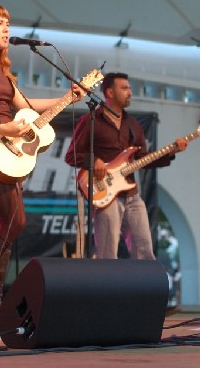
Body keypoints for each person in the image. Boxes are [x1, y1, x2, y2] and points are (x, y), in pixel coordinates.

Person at [0, 4, 85, 327]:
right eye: (0, 23)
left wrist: (67, 98)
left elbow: (25, 106)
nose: (7, 29)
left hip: (5, 152)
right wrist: (3, 129)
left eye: (9, 23)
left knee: (7, 228)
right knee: (16, 222)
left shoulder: (2, 72)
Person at [64, 72, 187, 259]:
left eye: (129, 88)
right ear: (110, 93)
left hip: (131, 194)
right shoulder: (90, 120)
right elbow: (71, 156)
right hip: (106, 195)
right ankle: (107, 288)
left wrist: (171, 152)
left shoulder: (133, 124)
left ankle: (144, 287)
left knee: (145, 251)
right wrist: (93, 160)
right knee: (108, 255)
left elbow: (142, 159)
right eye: (124, 88)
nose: (130, 92)